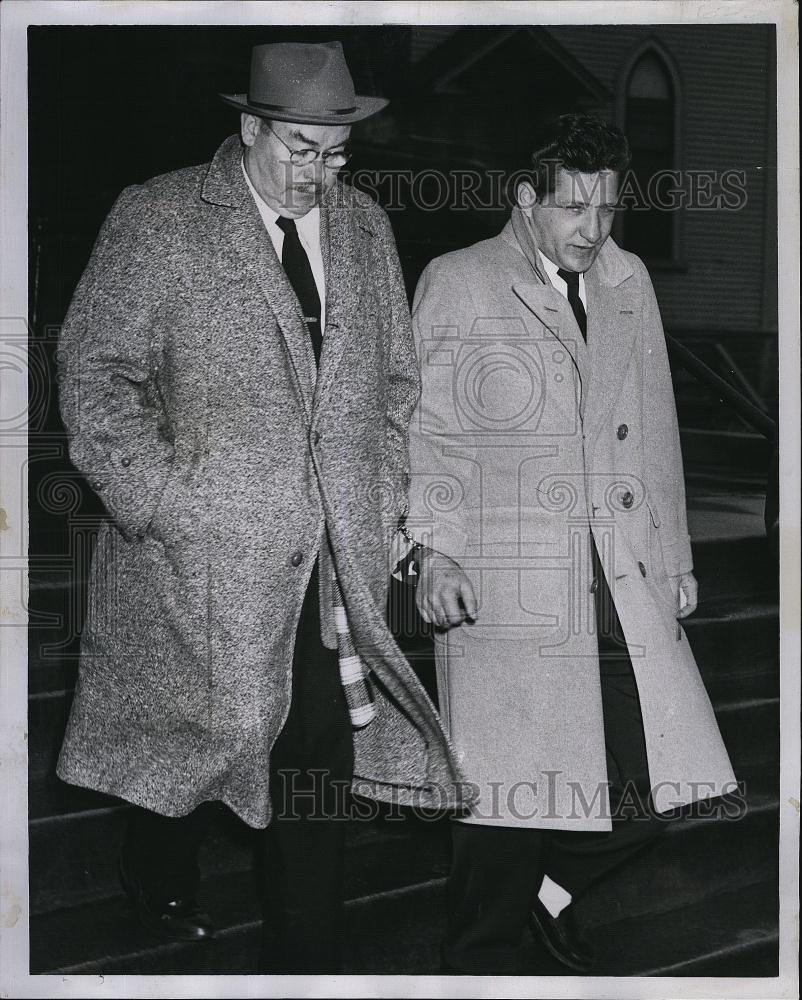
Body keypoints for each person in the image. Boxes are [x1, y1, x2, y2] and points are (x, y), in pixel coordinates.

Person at [56, 40, 469, 974]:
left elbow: (395, 383)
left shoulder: (364, 228)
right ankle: (153, 863)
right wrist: (160, 502)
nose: (318, 174)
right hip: (194, 558)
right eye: (297, 148)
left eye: (334, 153)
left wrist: (378, 496)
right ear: (248, 128)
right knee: (201, 743)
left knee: (310, 753)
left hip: (329, 562)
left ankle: (306, 963)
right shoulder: (160, 218)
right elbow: (93, 377)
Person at [405, 114, 737, 975]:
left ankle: (549, 894)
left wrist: (678, 558)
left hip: (618, 565)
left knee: (658, 780)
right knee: (508, 804)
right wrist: (429, 552)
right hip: (507, 581)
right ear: (526, 200)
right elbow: (427, 436)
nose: (595, 230)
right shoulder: (461, 281)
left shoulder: (627, 281)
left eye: (609, 210)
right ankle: (478, 959)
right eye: (575, 210)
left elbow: (655, 425)